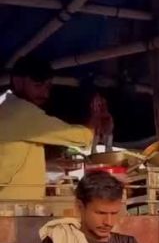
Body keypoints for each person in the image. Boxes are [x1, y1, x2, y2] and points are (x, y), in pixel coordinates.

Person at [0, 56, 111, 201]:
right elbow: (82, 136)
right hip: (10, 206)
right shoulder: (21, 112)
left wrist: (49, 164)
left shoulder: (8, 109)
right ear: (18, 82)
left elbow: (14, 158)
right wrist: (95, 114)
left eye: (48, 87)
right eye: (38, 86)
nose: (45, 94)